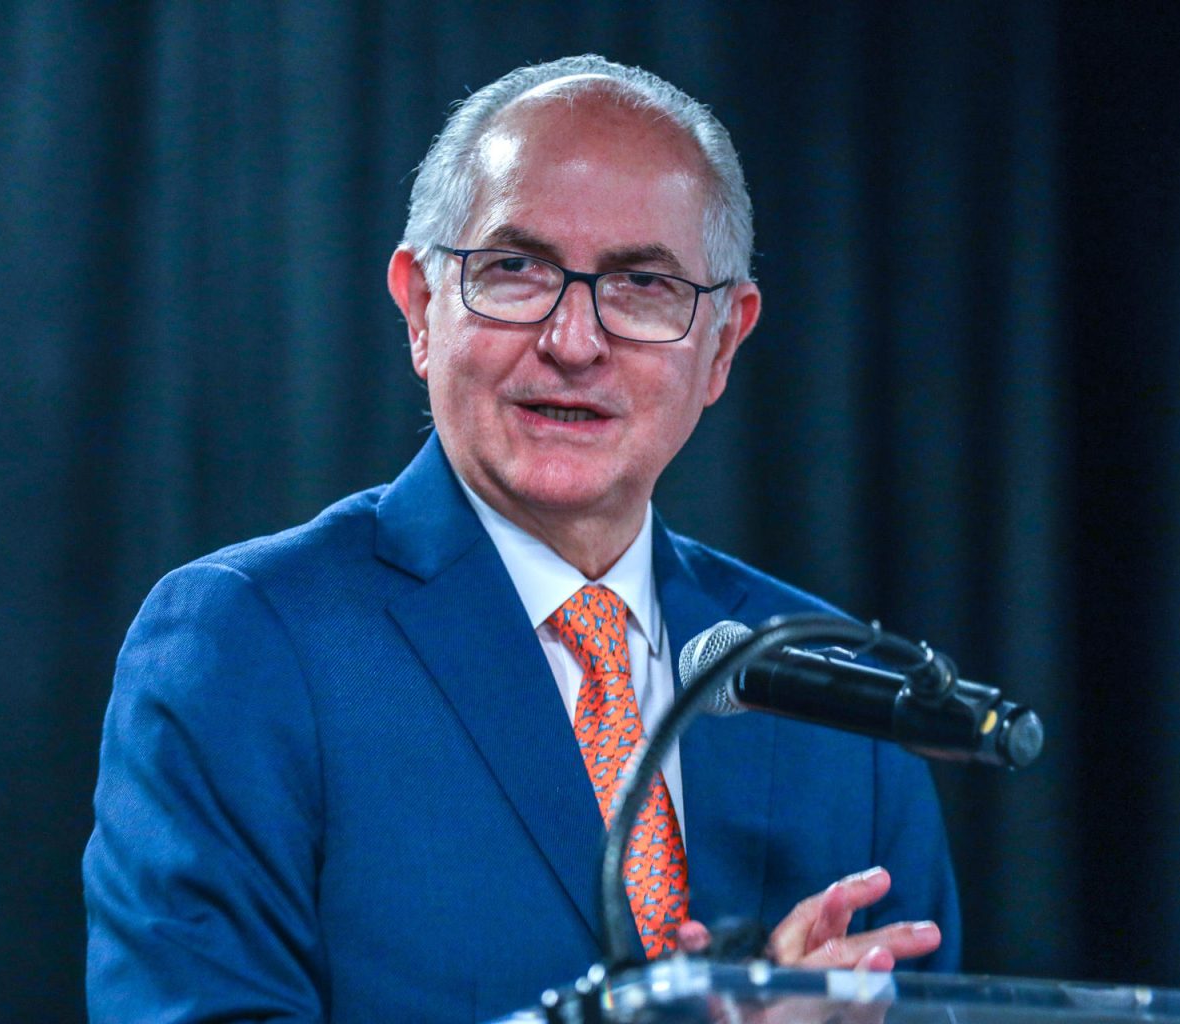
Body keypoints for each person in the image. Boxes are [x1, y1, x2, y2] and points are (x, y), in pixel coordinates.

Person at [84, 55, 960, 1024]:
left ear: (723, 343)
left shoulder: (837, 694)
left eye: (642, 284)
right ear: (420, 308)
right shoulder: (247, 644)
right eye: (515, 270)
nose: (575, 341)